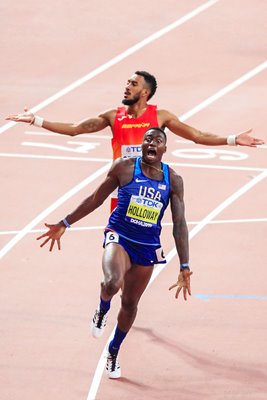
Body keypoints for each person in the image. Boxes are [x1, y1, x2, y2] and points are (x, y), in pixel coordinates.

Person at [36, 127, 193, 379]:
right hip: (119, 236)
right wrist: (65, 222)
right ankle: (102, 308)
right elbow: (96, 199)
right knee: (111, 283)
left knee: (130, 304)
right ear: (142, 145)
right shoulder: (125, 167)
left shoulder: (173, 180)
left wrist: (184, 264)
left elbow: (180, 223)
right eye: (148, 139)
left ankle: (114, 350)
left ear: (164, 149)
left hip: (147, 247)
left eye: (158, 140)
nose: (152, 143)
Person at [6, 70, 264, 211]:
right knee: (114, 254)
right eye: (127, 82)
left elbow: (197, 135)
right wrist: (36, 120)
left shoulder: (160, 116)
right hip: (122, 189)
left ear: (145, 92)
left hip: (149, 191)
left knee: (138, 256)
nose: (127, 86)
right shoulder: (112, 116)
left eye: (133, 83)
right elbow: (75, 129)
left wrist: (232, 139)